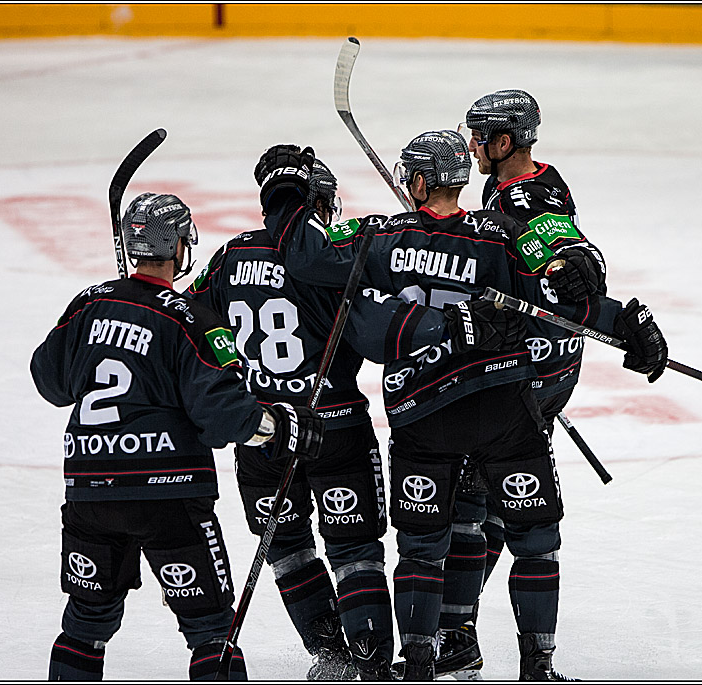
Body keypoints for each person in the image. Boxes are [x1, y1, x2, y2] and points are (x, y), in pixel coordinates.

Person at [251, 131, 667, 680]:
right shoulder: (500, 234)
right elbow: (559, 298)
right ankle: (538, 668)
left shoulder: (380, 236)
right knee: (535, 540)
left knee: (422, 548)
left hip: (423, 415)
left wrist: (284, 191)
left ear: (420, 182)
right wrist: (627, 324)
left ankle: (420, 667)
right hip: (502, 407)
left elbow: (308, 257)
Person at [30, 192, 324, 681]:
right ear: (179, 247)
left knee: (85, 624)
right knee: (210, 629)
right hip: (169, 496)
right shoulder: (192, 318)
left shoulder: (88, 304)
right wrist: (280, 426)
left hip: (90, 490)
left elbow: (49, 380)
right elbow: (223, 416)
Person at [185, 152, 395, 680]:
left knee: (287, 547)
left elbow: (188, 320)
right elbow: (374, 335)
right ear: (318, 204)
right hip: (335, 424)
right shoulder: (332, 258)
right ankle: (371, 666)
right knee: (355, 550)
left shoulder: (231, 256)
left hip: (261, 433)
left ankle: (331, 657)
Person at [434, 88, 611, 678]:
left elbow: (568, 256)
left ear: (505, 140)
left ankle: (456, 636)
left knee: (473, 507)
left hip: (524, 375)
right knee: (499, 501)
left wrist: (575, 267)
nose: (471, 146)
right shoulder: (531, 183)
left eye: (480, 136)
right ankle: (494, 645)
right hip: (552, 366)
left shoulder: (523, 195)